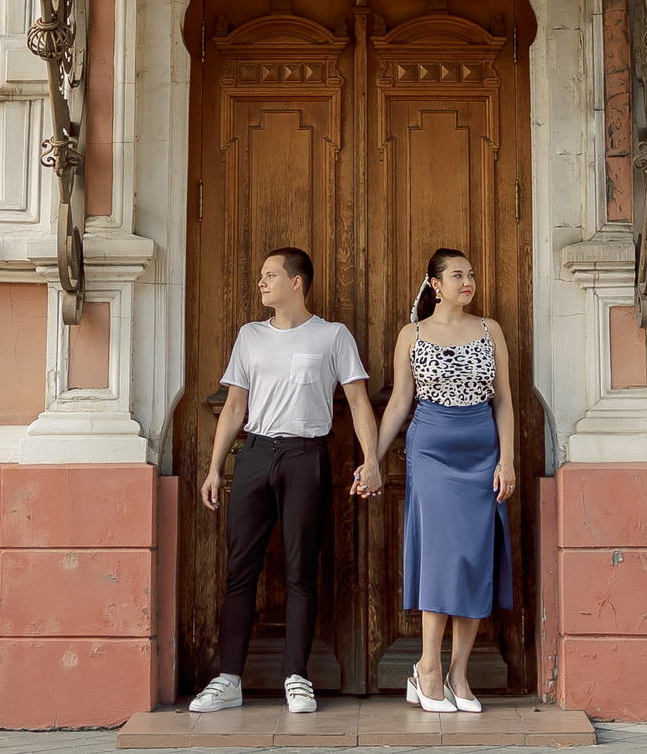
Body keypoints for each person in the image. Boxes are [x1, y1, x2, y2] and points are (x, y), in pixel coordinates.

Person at [190, 247, 383, 717]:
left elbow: (358, 402)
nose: (261, 282)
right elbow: (235, 405)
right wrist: (216, 467)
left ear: (297, 282)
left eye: (269, 275)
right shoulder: (250, 336)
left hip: (306, 457)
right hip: (254, 455)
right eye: (261, 275)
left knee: (301, 572)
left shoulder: (332, 336)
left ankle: (296, 677)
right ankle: (228, 678)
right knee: (240, 572)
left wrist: (372, 460)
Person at [374, 247, 516, 715]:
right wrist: (372, 460)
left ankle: (458, 673)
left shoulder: (490, 329)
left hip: (481, 453)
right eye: (457, 275)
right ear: (434, 283)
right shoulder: (411, 334)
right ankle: (428, 669)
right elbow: (398, 403)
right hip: (431, 450)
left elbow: (504, 402)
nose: (468, 282)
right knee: (440, 557)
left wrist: (507, 461)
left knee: (474, 558)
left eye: (471, 274)